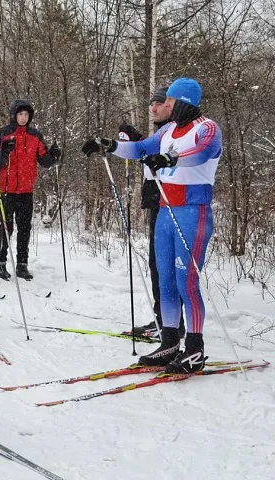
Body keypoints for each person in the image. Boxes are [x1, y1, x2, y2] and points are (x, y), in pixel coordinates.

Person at [81, 78, 222, 373]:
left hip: (192, 211)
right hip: (165, 210)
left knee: (187, 283)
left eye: (170, 102)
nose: (165, 106)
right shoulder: (168, 130)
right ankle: (169, 341)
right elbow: (141, 149)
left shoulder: (207, 128)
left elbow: (202, 153)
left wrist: (169, 158)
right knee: (166, 280)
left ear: (185, 102)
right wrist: (110, 145)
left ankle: (195, 347)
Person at [118, 88, 185, 339]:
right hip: (159, 202)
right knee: (158, 264)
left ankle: (171, 327)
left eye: (160, 104)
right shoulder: (162, 131)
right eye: (152, 104)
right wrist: (136, 142)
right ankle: (164, 321)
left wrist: (138, 146)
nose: (154, 108)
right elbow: (150, 159)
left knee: (164, 265)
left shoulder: (174, 131)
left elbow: (163, 161)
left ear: (171, 107)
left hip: (168, 204)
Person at [0, 99, 60, 280]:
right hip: (7, 189)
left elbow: (44, 160)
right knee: (7, 227)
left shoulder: (35, 135)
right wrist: (3, 151)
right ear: (14, 115)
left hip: (26, 189)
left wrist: (54, 155)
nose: (23, 118)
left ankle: (22, 264)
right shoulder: (4, 134)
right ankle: (0, 262)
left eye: (26, 115)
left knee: (24, 228)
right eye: (20, 114)